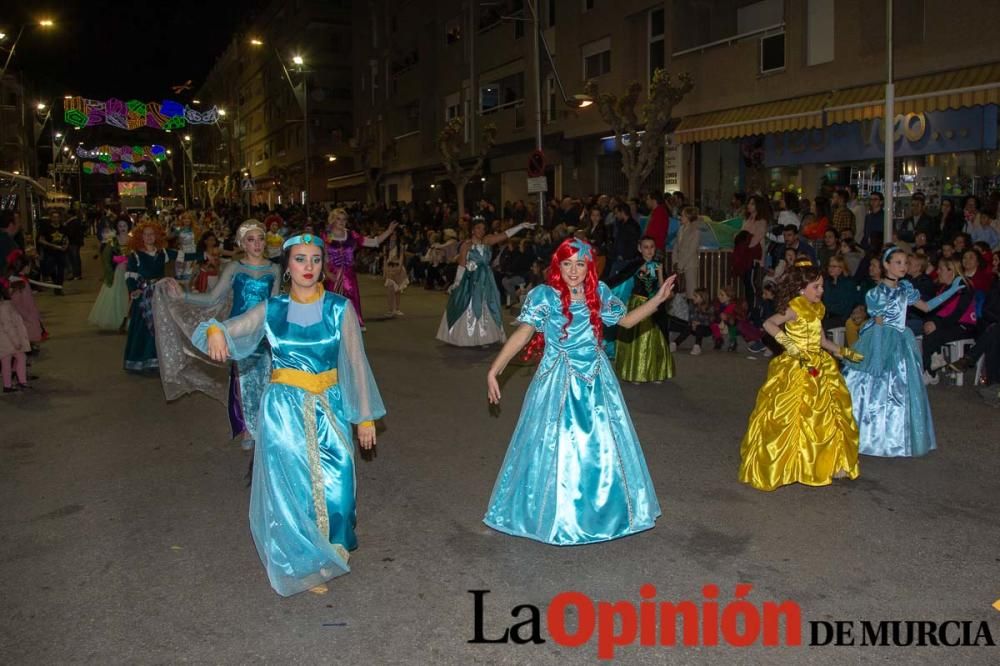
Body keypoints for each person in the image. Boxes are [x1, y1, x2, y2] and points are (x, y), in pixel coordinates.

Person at [190, 232, 385, 596]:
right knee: (295, 487)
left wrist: (365, 417)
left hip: (330, 404)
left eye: (315, 259)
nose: (308, 267)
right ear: (287, 266)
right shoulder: (273, 309)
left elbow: (357, 365)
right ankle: (306, 558)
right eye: (300, 259)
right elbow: (229, 328)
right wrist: (215, 330)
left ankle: (334, 546)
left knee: (339, 480)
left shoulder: (339, 308)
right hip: (284, 410)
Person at [483, 237, 674, 545]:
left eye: (580, 264)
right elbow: (523, 334)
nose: (573, 271)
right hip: (557, 379)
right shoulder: (544, 296)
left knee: (600, 447)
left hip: (597, 379)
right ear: (558, 265)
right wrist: (496, 368)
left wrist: (658, 300)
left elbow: (625, 322)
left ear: (589, 267)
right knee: (553, 446)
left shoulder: (599, 292)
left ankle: (599, 514)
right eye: (567, 263)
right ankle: (550, 515)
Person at [738, 259, 863, 491]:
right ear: (801, 288)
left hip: (820, 365)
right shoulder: (794, 307)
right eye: (816, 286)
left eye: (822, 286)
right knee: (791, 416)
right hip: (797, 366)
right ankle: (787, 464)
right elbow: (769, 324)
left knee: (828, 415)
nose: (821, 291)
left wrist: (845, 352)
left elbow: (822, 340)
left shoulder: (817, 309)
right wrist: (790, 345)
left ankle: (826, 464)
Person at [158, 220, 281, 450]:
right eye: (250, 239)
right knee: (242, 378)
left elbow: (274, 305)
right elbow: (213, 298)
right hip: (237, 330)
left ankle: (265, 425)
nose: (257, 244)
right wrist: (183, 296)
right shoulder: (235, 268)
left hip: (263, 331)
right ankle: (247, 428)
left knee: (266, 377)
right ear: (242, 243)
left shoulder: (274, 269)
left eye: (260, 238)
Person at [843, 247, 962, 458]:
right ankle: (871, 436)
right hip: (880, 340)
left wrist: (952, 290)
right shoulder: (876, 293)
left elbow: (926, 307)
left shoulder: (906, 288)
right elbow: (878, 325)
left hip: (901, 340)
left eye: (905, 263)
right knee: (874, 388)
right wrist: (878, 356)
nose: (903, 267)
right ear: (886, 265)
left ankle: (897, 437)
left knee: (901, 389)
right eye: (898, 262)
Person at [436, 217, 533, 347]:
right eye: (478, 228)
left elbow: (505, 235)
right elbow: (461, 265)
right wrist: (457, 283)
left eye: (483, 228)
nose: (481, 231)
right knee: (469, 304)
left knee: (488, 303)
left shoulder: (487, 241)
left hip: (486, 279)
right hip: (471, 279)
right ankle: (470, 336)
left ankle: (484, 337)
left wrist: (521, 225)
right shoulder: (466, 245)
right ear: (472, 230)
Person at [123, 221, 201, 374]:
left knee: (162, 326)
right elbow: (130, 276)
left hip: (160, 294)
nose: (149, 237)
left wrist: (203, 254)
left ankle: (160, 361)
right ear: (140, 237)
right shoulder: (135, 256)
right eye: (146, 234)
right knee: (143, 328)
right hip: (144, 295)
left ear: (157, 236)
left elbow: (184, 256)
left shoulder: (163, 253)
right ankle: (141, 361)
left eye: (152, 234)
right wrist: (134, 290)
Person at [323, 207, 398, 330]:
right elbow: (323, 256)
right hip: (333, 276)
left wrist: (388, 232)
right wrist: (327, 272)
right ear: (332, 220)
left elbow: (373, 242)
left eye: (344, 219)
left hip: (349, 276)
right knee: (333, 305)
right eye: (338, 219)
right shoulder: (326, 235)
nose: (342, 222)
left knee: (350, 305)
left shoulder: (352, 235)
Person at [613, 237, 674, 383]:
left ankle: (655, 372)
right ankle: (636, 372)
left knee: (655, 339)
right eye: (645, 247)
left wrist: (659, 273)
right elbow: (619, 279)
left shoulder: (658, 265)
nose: (649, 250)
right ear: (640, 249)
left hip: (654, 304)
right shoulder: (634, 265)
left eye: (652, 247)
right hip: (637, 304)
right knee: (638, 338)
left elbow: (662, 288)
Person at [921, 257, 976, 385]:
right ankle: (933, 365)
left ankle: (930, 371)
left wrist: (937, 324)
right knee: (928, 329)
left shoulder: (964, 286)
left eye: (941, 269)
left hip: (964, 325)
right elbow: (935, 309)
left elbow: (958, 312)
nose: (937, 272)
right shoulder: (943, 288)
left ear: (951, 270)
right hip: (948, 323)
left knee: (934, 334)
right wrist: (931, 322)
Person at [88, 218, 131, 332]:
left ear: (128, 226)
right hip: (118, 271)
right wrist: (121, 259)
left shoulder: (133, 240)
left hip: (132, 272)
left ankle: (129, 320)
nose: (122, 228)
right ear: (117, 227)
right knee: (117, 295)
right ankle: (118, 320)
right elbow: (107, 257)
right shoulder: (112, 241)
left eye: (124, 225)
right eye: (120, 226)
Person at [0, 277, 30, 393]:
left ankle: (7, 385)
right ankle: (22, 381)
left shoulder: (3, 306)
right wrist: (17, 342)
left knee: (6, 362)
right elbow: (9, 327)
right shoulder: (5, 307)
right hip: (10, 341)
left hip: (3, 341)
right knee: (21, 357)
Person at [673, 206, 701, 301]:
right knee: (680, 292)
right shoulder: (680, 229)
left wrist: (681, 264)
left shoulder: (695, 231)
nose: (681, 217)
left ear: (689, 217)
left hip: (690, 264)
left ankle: (693, 312)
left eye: (683, 216)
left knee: (691, 292)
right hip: (680, 263)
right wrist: (675, 261)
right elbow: (676, 246)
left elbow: (691, 251)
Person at [37, 209, 69, 295]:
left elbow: (66, 238)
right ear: (50, 218)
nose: (56, 219)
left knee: (61, 271)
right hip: (50, 252)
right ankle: (56, 284)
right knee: (49, 269)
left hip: (61, 252)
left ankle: (58, 288)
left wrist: (66, 245)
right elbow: (40, 240)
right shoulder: (46, 228)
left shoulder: (63, 227)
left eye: (57, 217)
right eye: (54, 217)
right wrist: (53, 246)